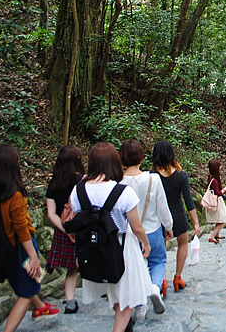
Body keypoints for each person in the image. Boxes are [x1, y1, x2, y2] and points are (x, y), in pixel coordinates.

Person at [69, 142, 151, 332]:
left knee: (114, 294)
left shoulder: (78, 191)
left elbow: (77, 222)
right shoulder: (123, 192)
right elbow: (136, 226)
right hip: (121, 248)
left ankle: (123, 325)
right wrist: (145, 243)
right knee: (126, 299)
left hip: (91, 249)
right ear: (115, 162)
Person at [0, 144, 60, 332]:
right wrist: (33, 256)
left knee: (27, 282)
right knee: (27, 291)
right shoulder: (14, 195)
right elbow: (21, 229)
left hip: (1, 245)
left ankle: (40, 308)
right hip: (19, 246)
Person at [120, 140, 172, 321]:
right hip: (152, 230)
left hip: (127, 234)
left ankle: (140, 306)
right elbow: (162, 208)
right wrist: (169, 226)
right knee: (157, 261)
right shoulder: (153, 179)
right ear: (142, 157)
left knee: (135, 268)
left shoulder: (117, 181)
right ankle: (154, 288)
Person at [151, 141, 200, 295]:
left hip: (159, 216)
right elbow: (188, 199)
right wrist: (196, 222)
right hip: (178, 215)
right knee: (183, 243)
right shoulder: (181, 175)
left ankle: (162, 280)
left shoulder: (151, 176)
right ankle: (178, 278)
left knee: (161, 247)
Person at [45, 145, 84, 314]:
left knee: (70, 266)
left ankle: (70, 301)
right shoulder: (82, 180)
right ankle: (103, 290)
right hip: (82, 227)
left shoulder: (54, 183)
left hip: (63, 231)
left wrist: (65, 229)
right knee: (79, 264)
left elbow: (51, 213)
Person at [206, 159, 226, 243]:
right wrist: (225, 189)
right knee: (222, 219)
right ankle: (212, 236)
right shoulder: (214, 180)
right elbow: (217, 192)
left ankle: (217, 234)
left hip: (216, 200)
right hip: (217, 201)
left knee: (219, 218)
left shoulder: (210, 178)